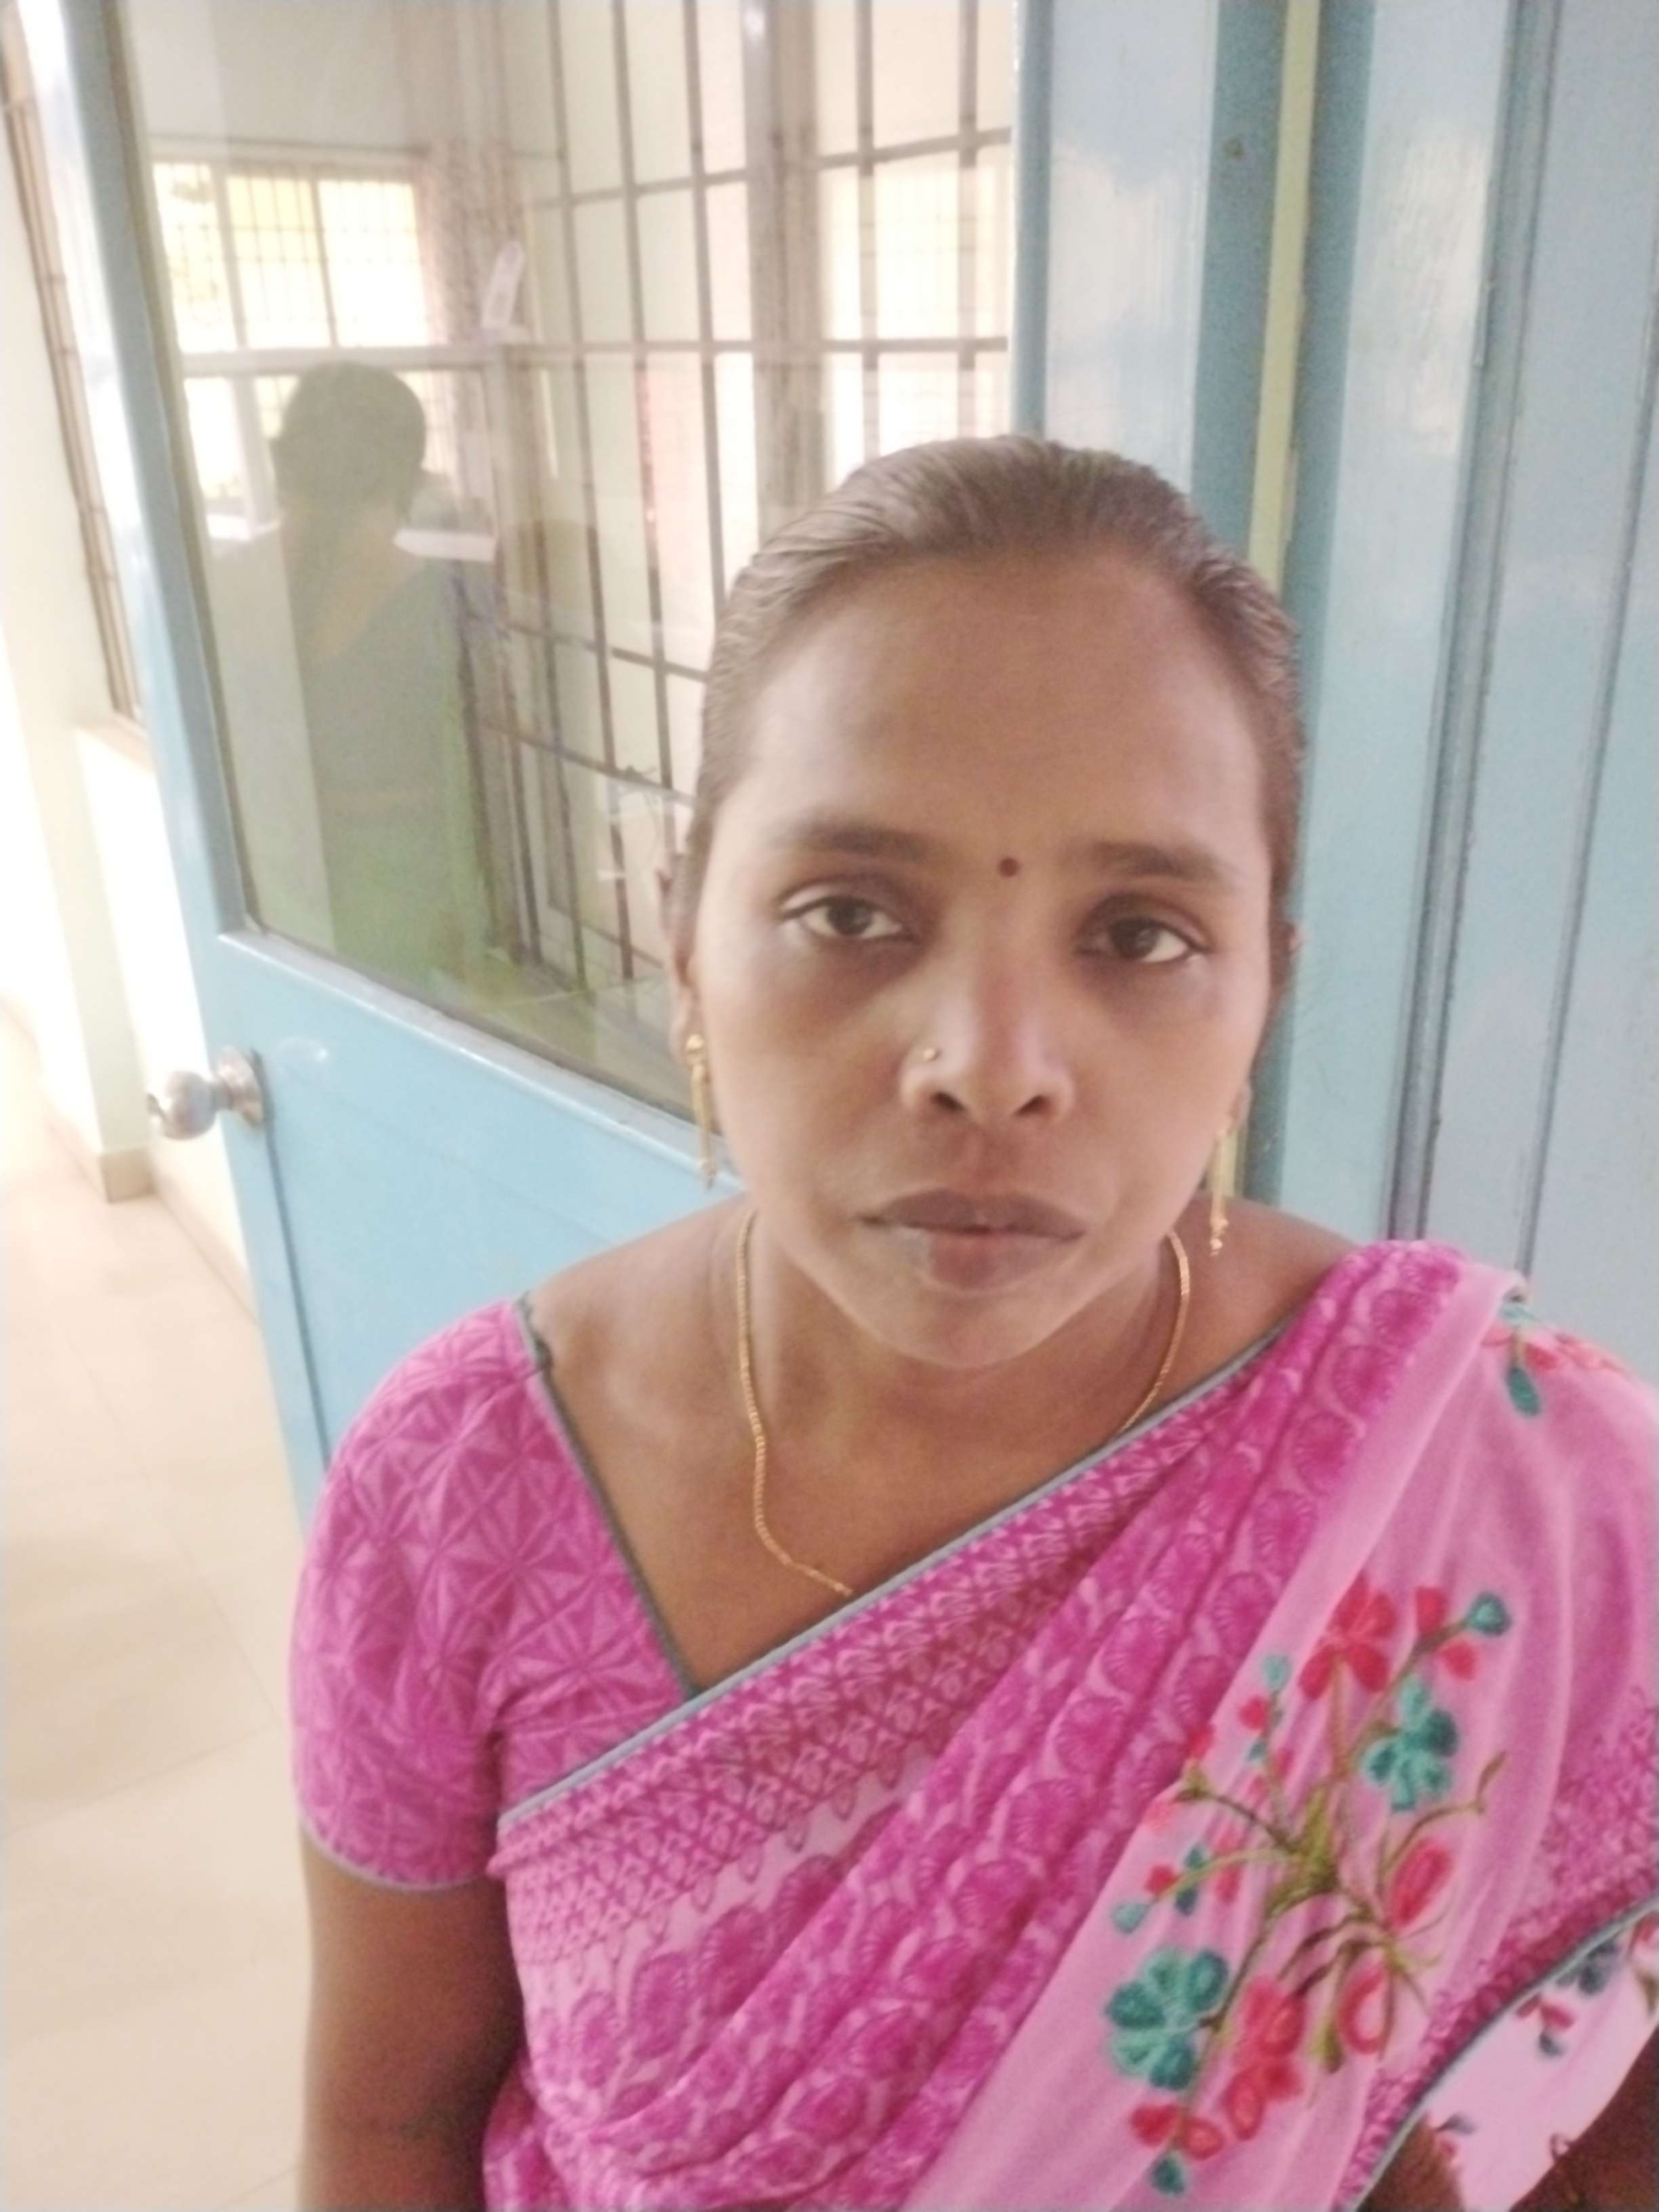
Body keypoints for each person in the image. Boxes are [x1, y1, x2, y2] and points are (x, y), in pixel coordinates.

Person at [289, 438, 1656, 2210]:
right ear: (686, 938)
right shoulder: (460, 1490)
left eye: (1140, 936)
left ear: (1267, 985)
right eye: (851, 912)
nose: (991, 1069)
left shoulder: (1527, 1483)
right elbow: (388, 2124)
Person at [214, 361, 487, 989]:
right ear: (401, 472)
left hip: (263, 879)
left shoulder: (224, 584)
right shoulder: (430, 595)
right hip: (396, 881)